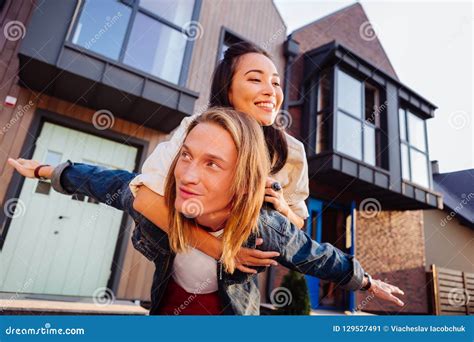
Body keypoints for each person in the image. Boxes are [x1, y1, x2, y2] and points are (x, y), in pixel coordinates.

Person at [8, 108, 405, 315]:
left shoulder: (266, 229)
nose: (187, 175)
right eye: (186, 156)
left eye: (212, 164)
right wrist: (46, 169)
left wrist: (366, 282)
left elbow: (317, 255)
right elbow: (105, 181)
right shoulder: (155, 208)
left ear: (244, 183)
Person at [130, 41, 310, 274]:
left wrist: (283, 208)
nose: (271, 91)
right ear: (228, 90)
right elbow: (145, 199)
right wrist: (221, 251)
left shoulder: (292, 152)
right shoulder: (197, 129)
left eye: (275, 82)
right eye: (255, 79)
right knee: (115, 184)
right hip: (180, 258)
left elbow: (298, 223)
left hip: (239, 280)